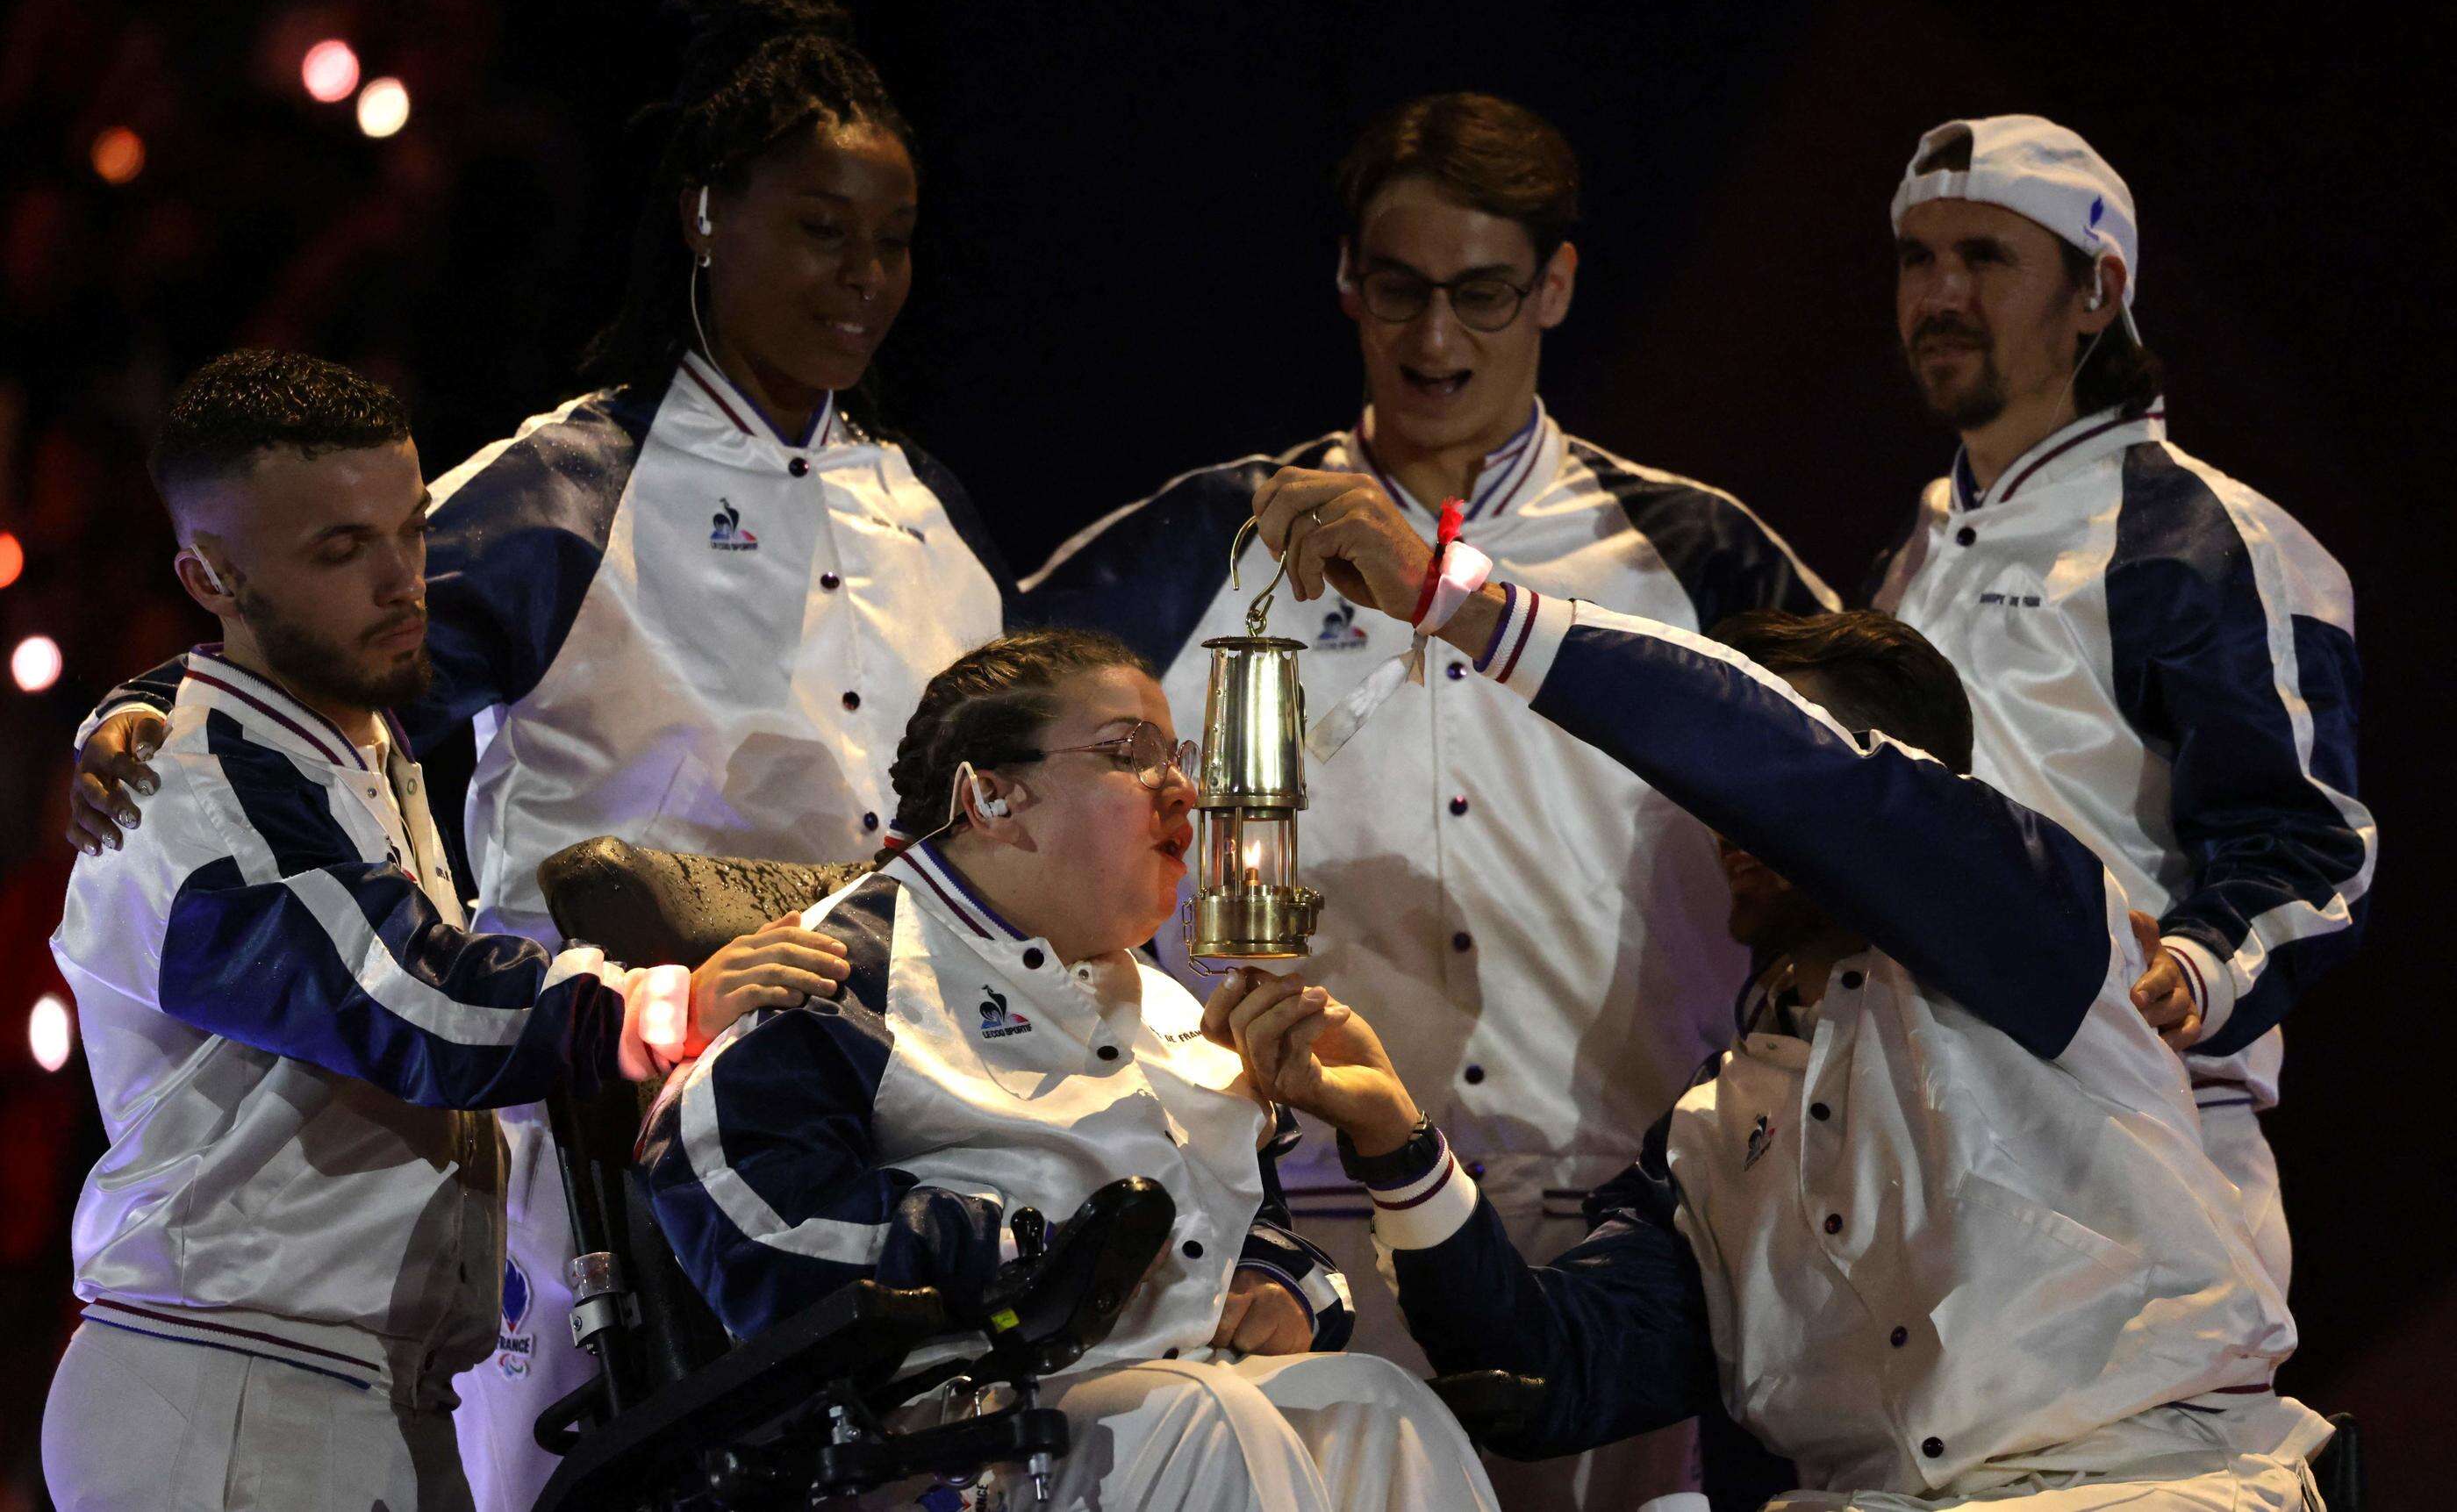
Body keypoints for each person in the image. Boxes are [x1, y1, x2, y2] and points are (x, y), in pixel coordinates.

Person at [61, 0, 1008, 1509]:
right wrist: (141, 712)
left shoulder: (937, 518)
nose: (867, 276)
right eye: (824, 228)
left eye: (894, 237)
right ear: (706, 215)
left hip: (830, 1156)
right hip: (575, 1178)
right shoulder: (567, 491)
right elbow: (284, 732)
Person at [1203, 475, 2330, 1505]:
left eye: (1776, 770)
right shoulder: (1708, 1133)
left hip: (2149, 1486)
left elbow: (1786, 772)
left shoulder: (2031, 918)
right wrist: (1393, 1137)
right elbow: (1546, 1372)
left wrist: (1462, 604)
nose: (1732, 815)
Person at [1021, 91, 1832, 1506]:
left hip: (1626, 1241)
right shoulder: (1197, 546)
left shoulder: (1696, 555)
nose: (1436, 339)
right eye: (1400, 290)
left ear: (1558, 285)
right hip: (1294, 1237)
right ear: (1346, 277)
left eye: (1481, 294)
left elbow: (1866, 829)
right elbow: (986, 816)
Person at [40, 351, 847, 1511]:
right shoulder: (186, 787)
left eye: (410, 529)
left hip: (359, 1393)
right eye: (340, 549)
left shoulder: (358, 745)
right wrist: (668, 1005)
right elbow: (401, 997)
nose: (404, 578)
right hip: (234, 1398)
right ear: (211, 574)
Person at [642, 627, 1501, 1511]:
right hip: (937, 1436)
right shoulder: (843, 967)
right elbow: (744, 1205)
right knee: (1199, 1421)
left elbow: (1248, 1227)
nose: (1186, 791)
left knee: (1382, 1406)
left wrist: (1281, 1287)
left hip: (1172, 1399)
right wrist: (1016, 1246)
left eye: (1182, 758)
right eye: (1131, 754)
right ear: (993, 798)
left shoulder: (1173, 1007)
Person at [1868, 116, 2373, 1290]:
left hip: (2144, 1139)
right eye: (1916, 258)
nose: (1940, 294)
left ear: (2098, 292)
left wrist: (2194, 968)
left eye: (1986, 257)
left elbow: (2312, 844)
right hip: (1927, 1134)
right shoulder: (1918, 545)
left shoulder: (2211, 539)